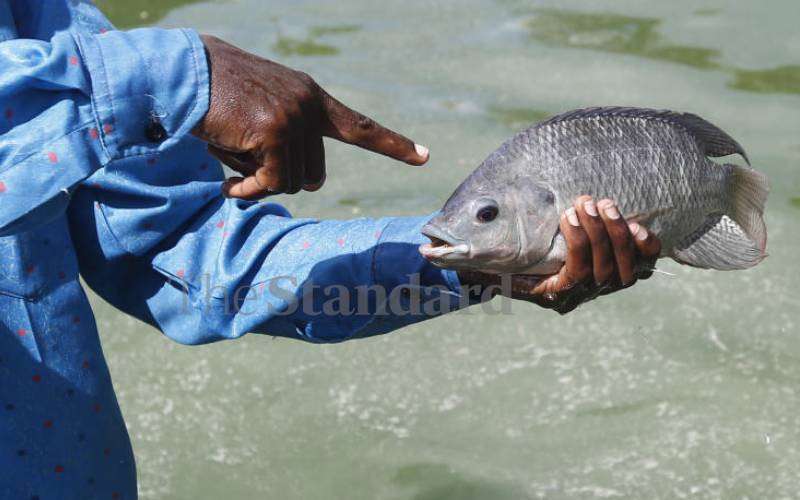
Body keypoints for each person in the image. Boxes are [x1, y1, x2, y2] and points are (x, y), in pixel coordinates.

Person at [0, 1, 661, 498]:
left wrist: (489, 262)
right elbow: (141, 88)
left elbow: (198, 258)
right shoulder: (138, 71)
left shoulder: (35, 12)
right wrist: (169, 75)